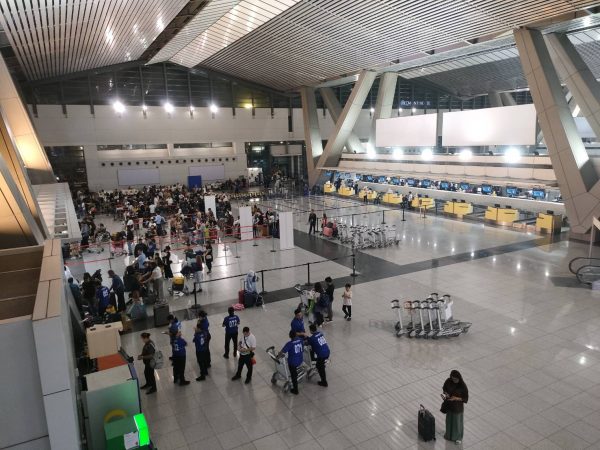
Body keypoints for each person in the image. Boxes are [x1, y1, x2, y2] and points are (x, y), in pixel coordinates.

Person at [442, 370, 468, 444]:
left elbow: (465, 398)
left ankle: (458, 438)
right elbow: (444, 388)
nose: (454, 380)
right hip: (449, 405)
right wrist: (446, 393)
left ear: (459, 378)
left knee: (457, 423)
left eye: (456, 379)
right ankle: (449, 436)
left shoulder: (462, 386)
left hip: (457, 407)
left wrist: (456, 398)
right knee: (449, 421)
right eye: (453, 378)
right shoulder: (448, 381)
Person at [278, 330, 304, 395]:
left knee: (293, 375)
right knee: (294, 368)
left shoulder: (289, 343)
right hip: (300, 360)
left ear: (290, 336)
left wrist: (277, 356)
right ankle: (296, 373)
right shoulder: (301, 340)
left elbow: (282, 352)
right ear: (296, 335)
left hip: (293, 362)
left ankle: (295, 390)